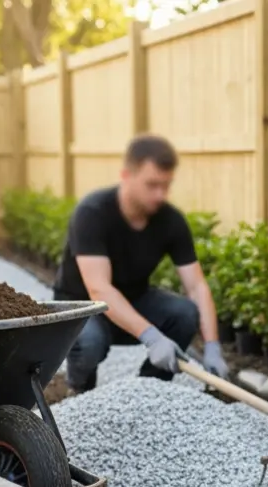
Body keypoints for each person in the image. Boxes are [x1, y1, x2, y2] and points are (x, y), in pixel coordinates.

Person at [53, 134, 229, 393]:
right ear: (126, 176)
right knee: (91, 342)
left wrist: (213, 346)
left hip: (134, 298)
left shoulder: (170, 221)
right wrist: (152, 337)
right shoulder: (92, 213)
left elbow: (196, 286)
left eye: (166, 185)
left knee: (184, 314)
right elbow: (99, 290)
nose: (161, 194)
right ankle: (79, 391)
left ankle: (149, 390)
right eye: (152, 185)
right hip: (81, 307)